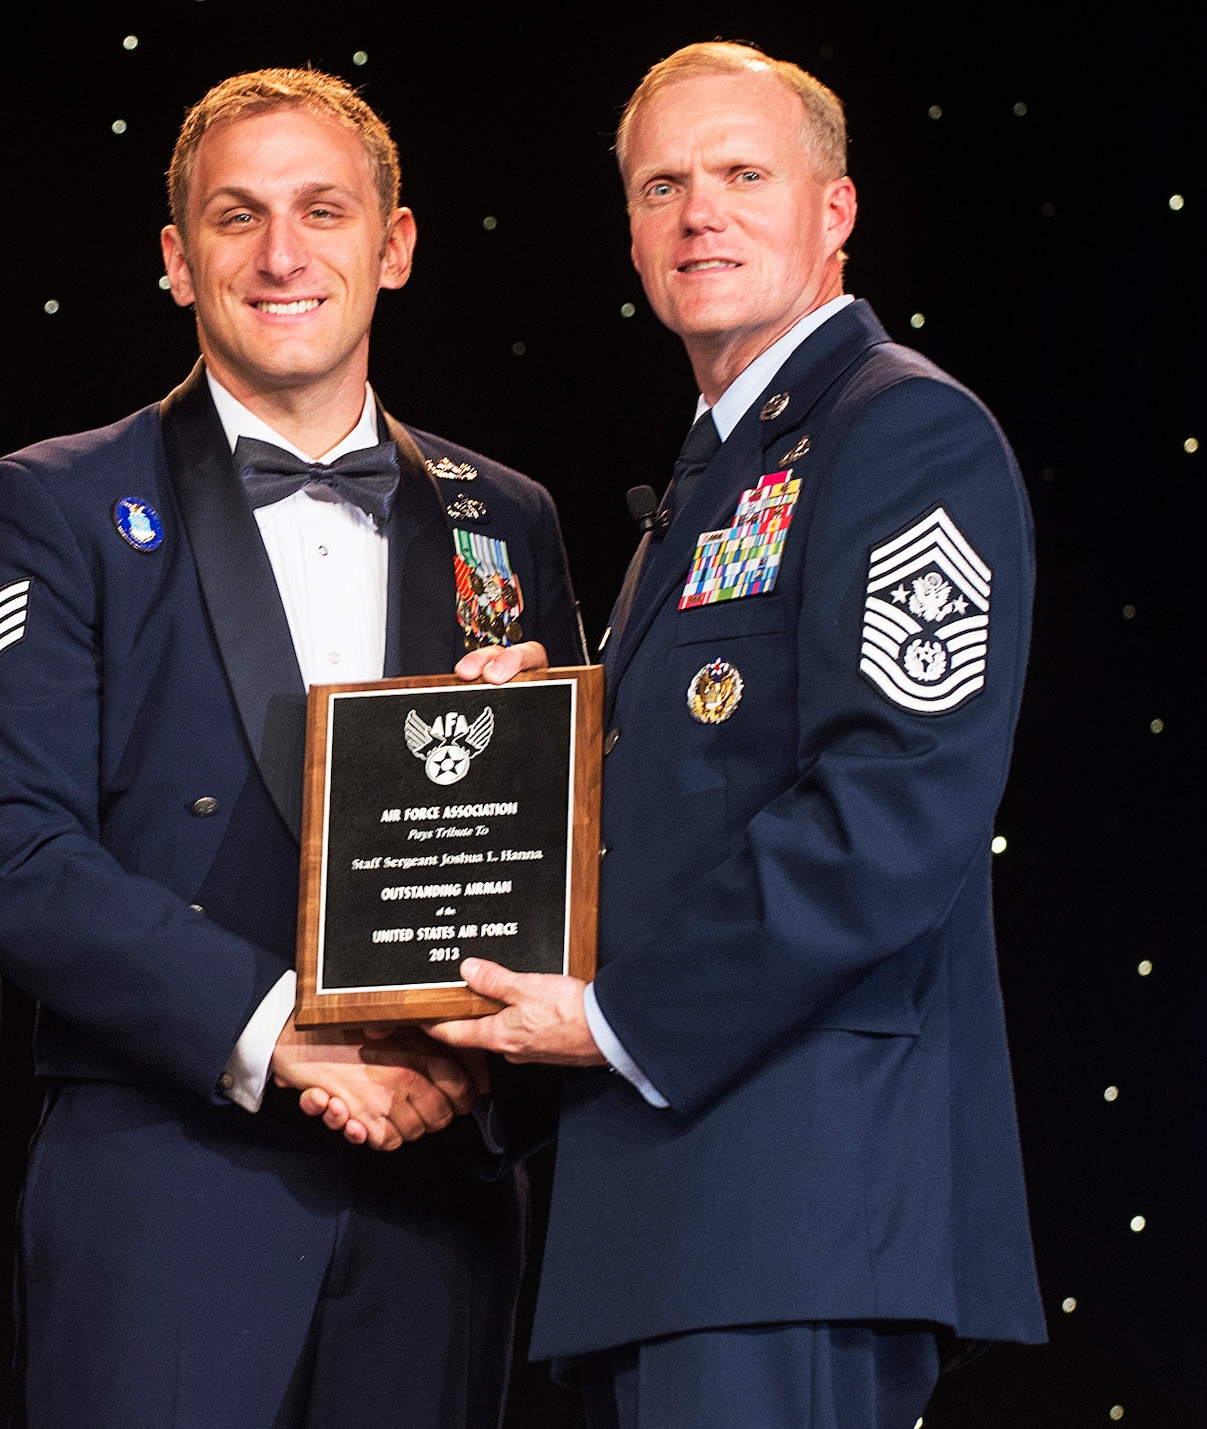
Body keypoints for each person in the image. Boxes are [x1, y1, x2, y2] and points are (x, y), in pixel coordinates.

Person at [0, 69, 584, 1429]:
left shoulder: (505, 516)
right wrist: (279, 1031)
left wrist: (465, 1067)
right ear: (178, 261)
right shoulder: (53, 501)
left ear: (393, 246)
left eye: (322, 211)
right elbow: (6, 849)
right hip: (169, 1187)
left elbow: (570, 857)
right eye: (238, 217)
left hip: (435, 1191)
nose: (282, 255)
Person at [428, 42, 1046, 1429]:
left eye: (744, 174)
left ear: (835, 212)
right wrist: (568, 735)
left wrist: (617, 1019)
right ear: (635, 233)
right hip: (685, 1207)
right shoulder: (724, 467)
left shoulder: (901, 435)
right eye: (664, 184)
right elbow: (716, 765)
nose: (700, 211)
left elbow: (898, 802)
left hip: (794, 1197)